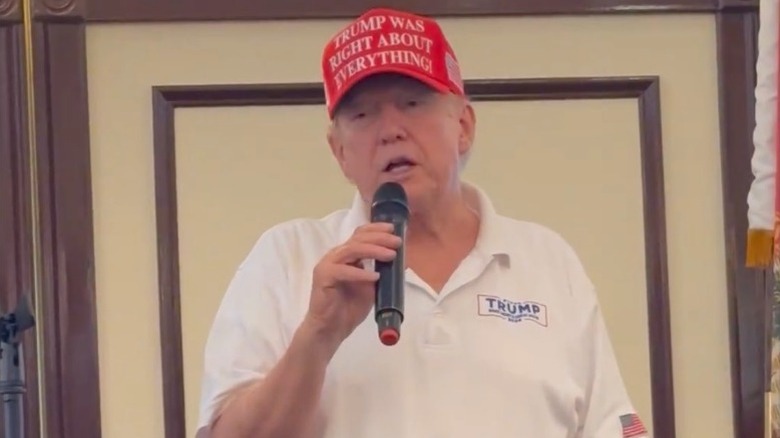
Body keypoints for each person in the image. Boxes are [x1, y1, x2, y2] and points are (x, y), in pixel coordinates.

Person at [195, 7, 647, 438]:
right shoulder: (287, 257)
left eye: (412, 103)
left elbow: (609, 423)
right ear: (340, 153)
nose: (390, 129)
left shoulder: (548, 261)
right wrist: (317, 335)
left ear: (464, 126)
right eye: (362, 114)